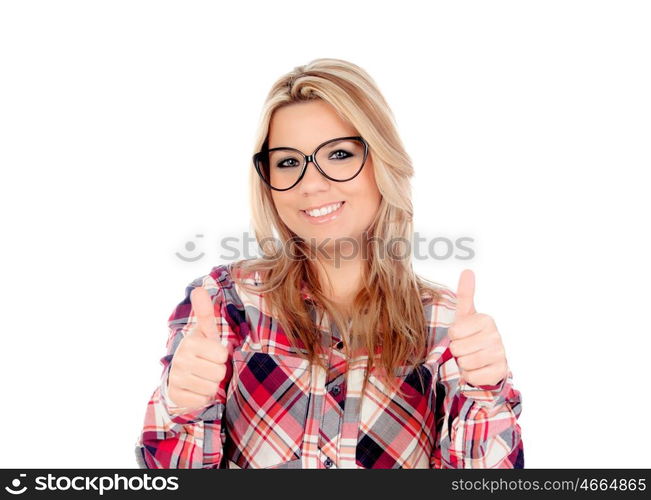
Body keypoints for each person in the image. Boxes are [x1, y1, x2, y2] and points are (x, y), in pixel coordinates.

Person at [134, 58, 524, 469]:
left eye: (338, 154)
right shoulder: (224, 306)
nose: (312, 184)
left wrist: (485, 393)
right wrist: (181, 404)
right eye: (287, 162)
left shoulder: (445, 324)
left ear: (382, 161)